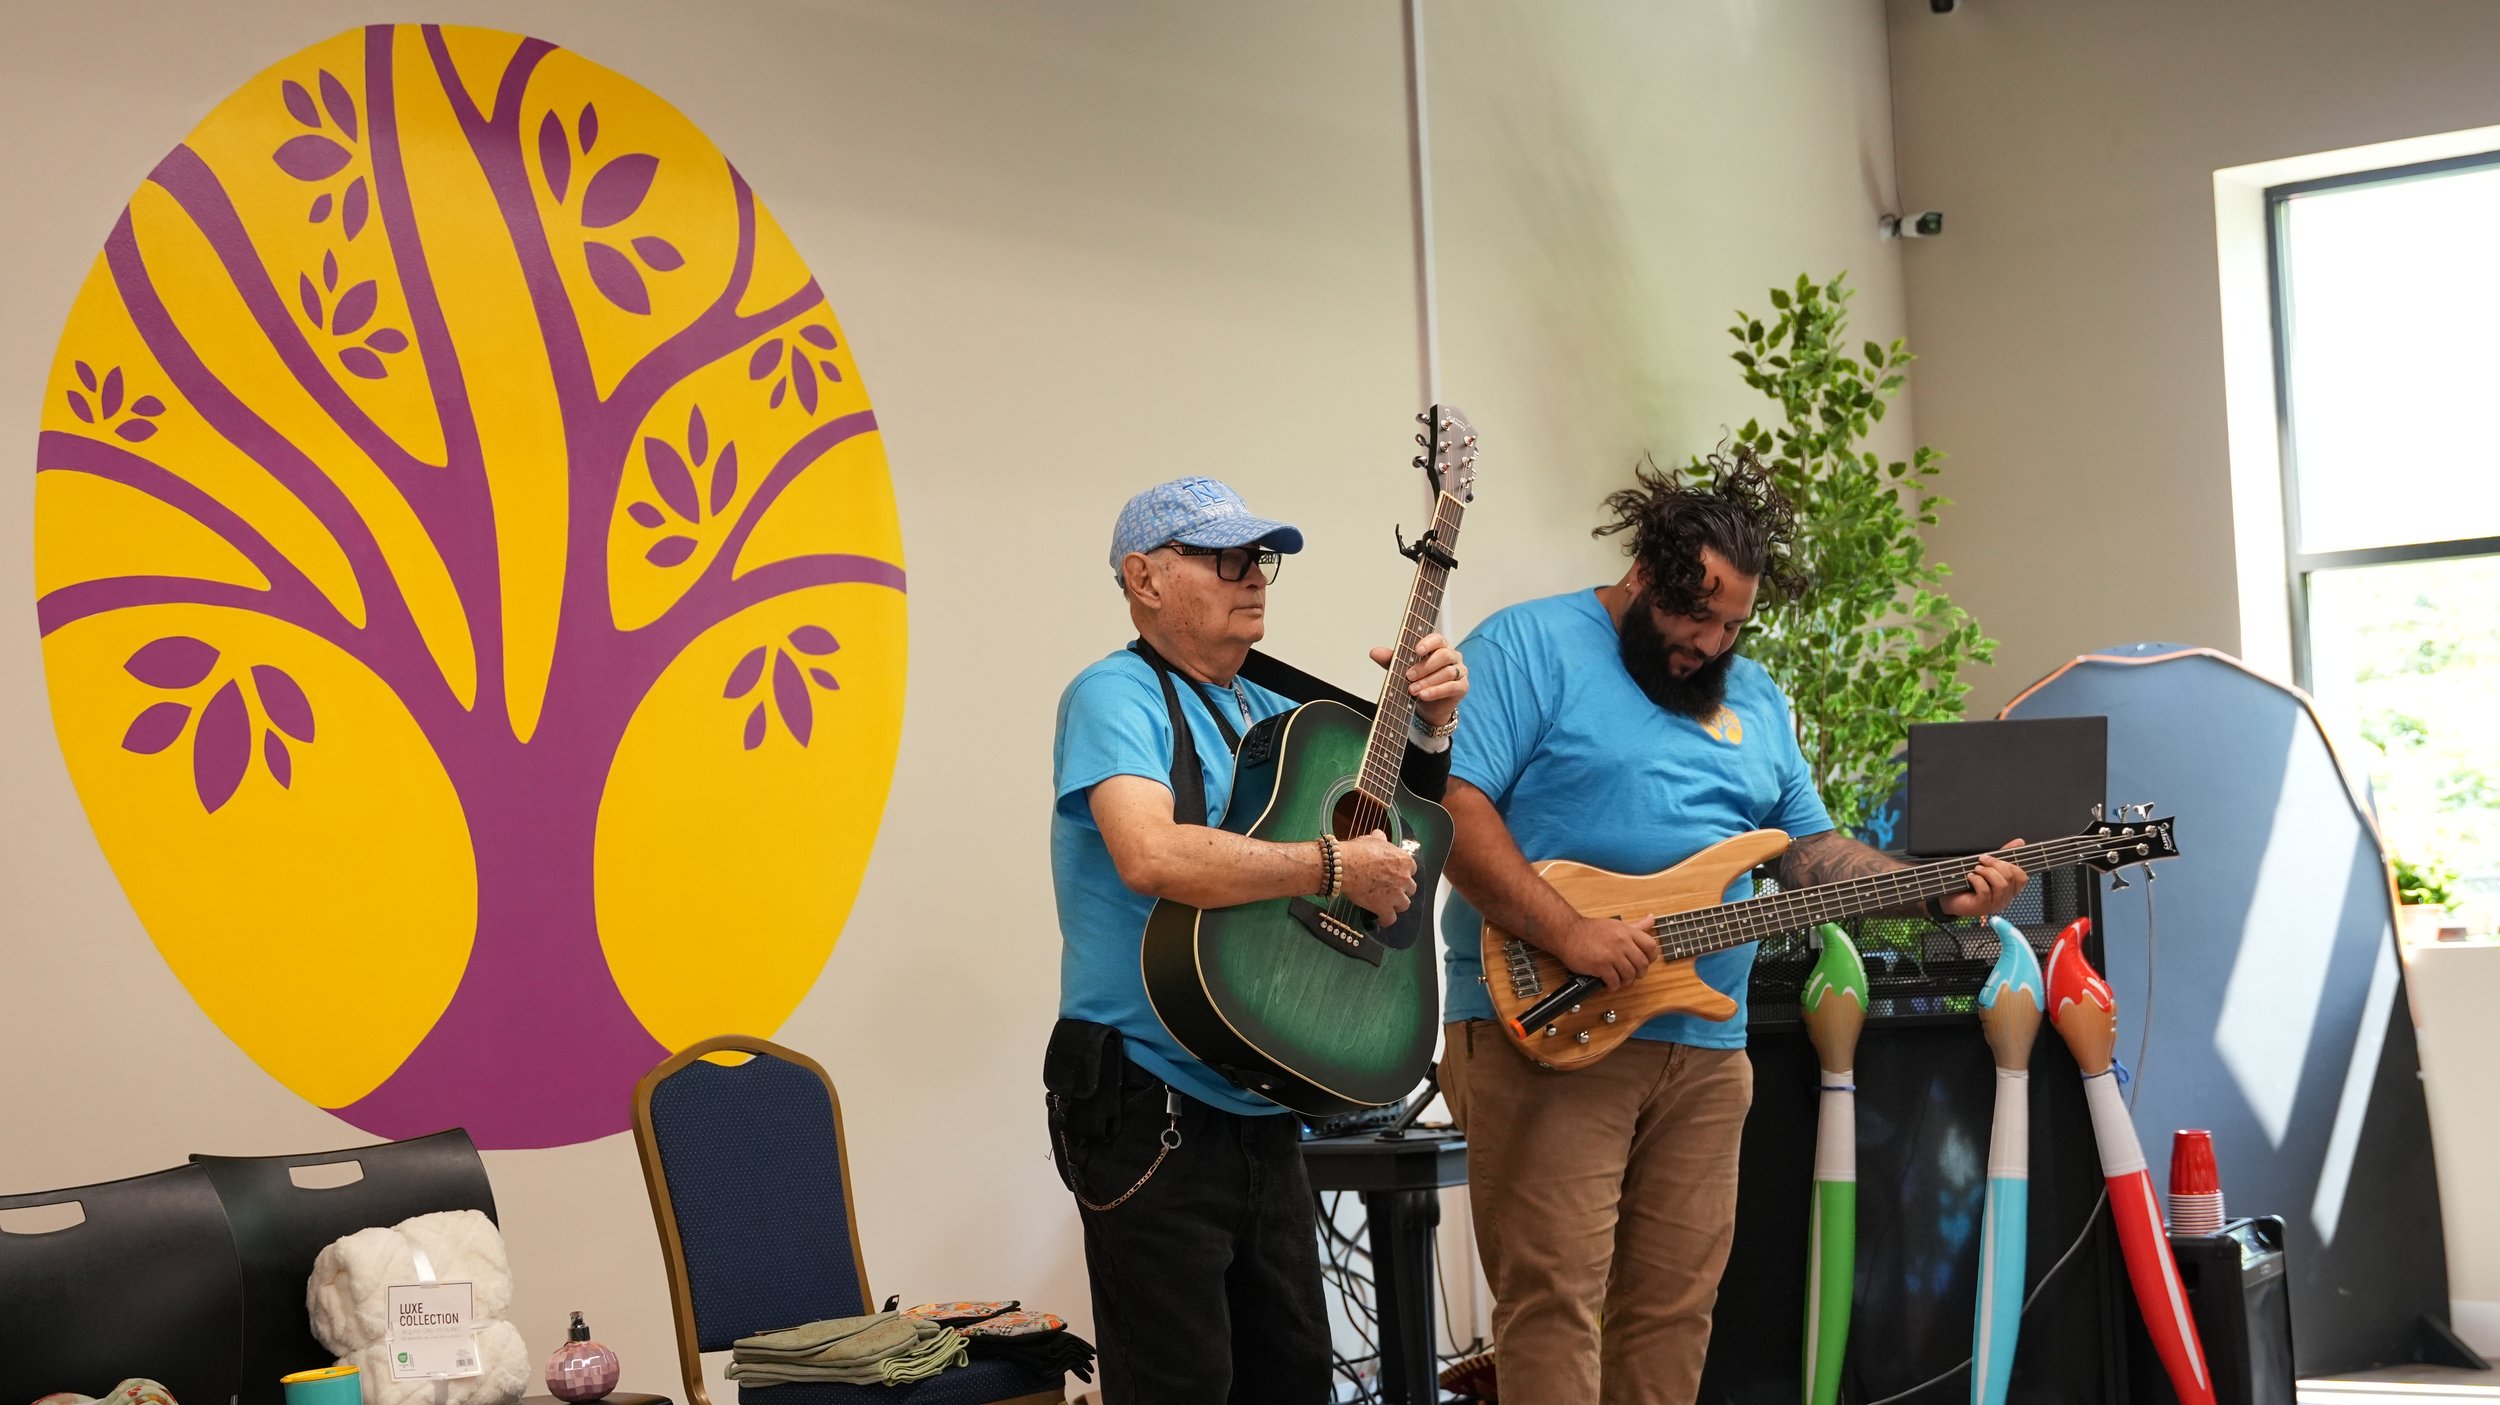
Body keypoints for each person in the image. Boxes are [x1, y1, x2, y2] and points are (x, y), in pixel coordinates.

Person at [1436, 452, 2029, 1405]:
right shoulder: (1529, 647)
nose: (1710, 644)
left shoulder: (1754, 696)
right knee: (1554, 1303)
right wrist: (1575, 933)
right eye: (1692, 615)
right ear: (1641, 575)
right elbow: (1454, 812)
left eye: (1733, 624)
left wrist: (1931, 891)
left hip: (1708, 1041)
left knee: (1676, 1307)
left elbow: (1806, 853)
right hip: (1548, 1019)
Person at [1046, 475, 1469, 1403]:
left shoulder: (1258, 711)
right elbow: (1150, 852)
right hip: (1146, 1104)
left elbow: (1392, 844)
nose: (1255, 577)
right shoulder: (1113, 694)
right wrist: (1329, 865)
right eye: (1225, 557)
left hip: (1258, 1105)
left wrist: (1432, 727)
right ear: (1143, 578)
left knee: (1293, 1385)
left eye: (1260, 558)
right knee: (1180, 1387)